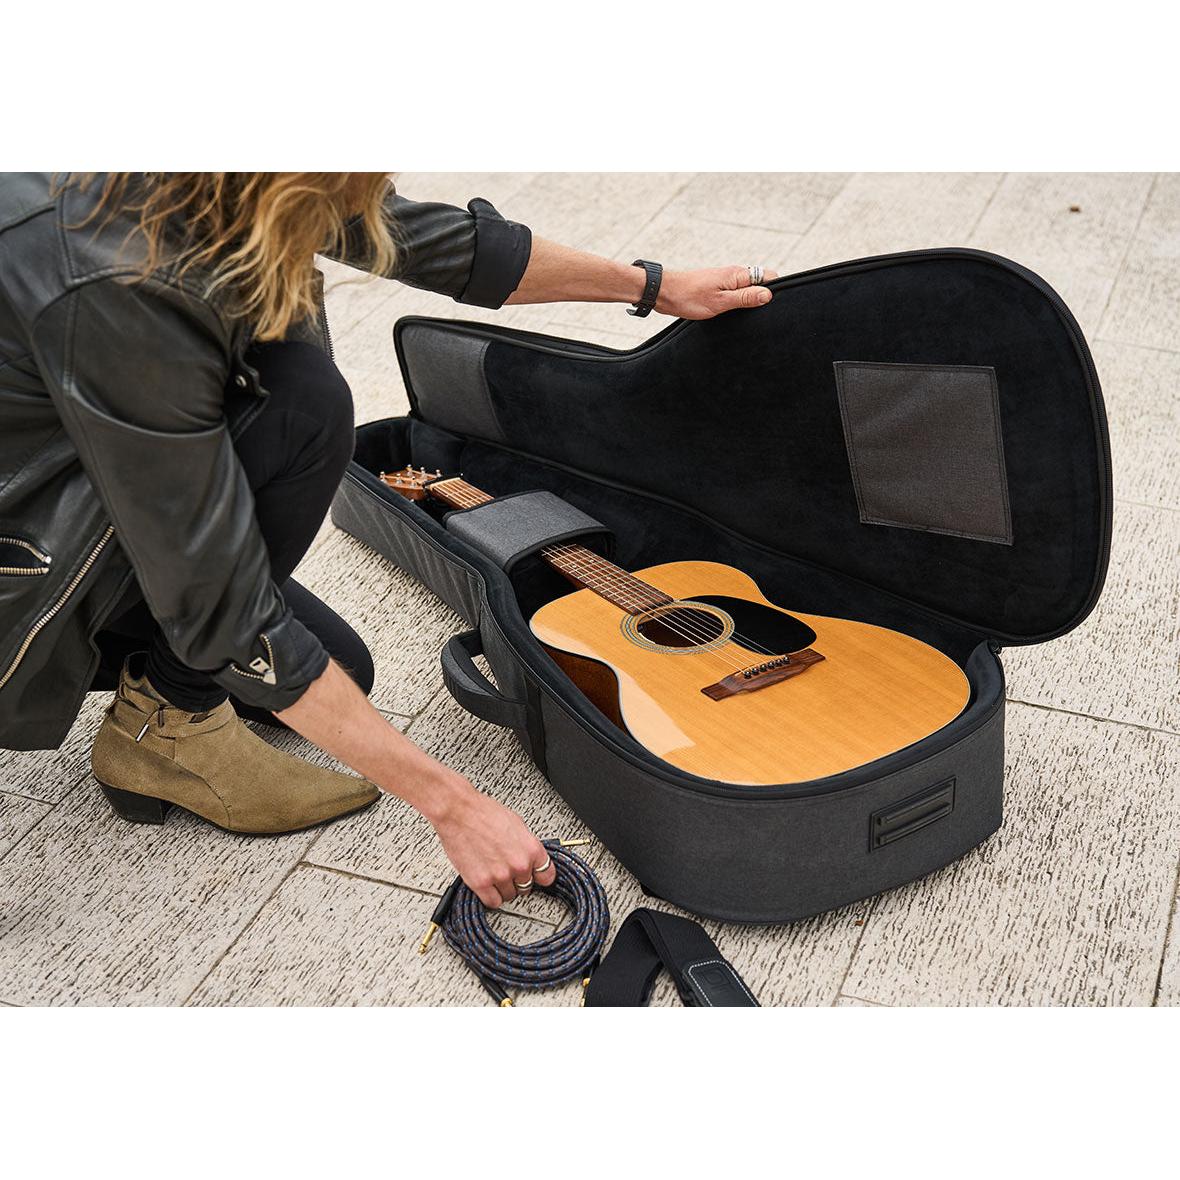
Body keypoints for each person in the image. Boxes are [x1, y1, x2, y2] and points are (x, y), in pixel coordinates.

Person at [0, 172, 776, 908]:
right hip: (33, 552)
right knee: (301, 423)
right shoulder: (109, 280)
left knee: (341, 663)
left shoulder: (227, 176)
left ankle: (166, 691)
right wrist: (455, 804)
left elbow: (433, 241)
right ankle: (167, 725)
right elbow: (224, 611)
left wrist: (653, 286)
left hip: (110, 465)